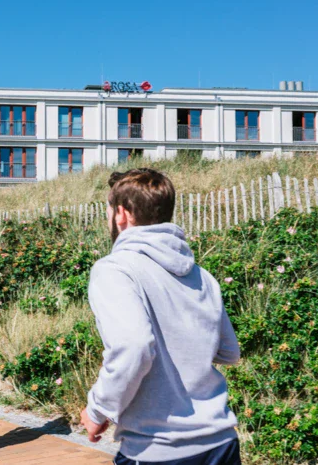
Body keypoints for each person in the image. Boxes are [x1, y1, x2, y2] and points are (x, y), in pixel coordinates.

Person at [80, 168, 242, 465]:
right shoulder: (201, 275)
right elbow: (229, 352)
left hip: (159, 447)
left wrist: (97, 410)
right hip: (222, 442)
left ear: (121, 214)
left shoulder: (116, 270)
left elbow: (134, 347)